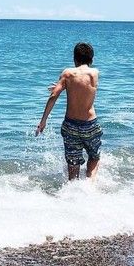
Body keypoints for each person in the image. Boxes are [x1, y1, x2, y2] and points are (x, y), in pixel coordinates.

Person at [35, 42, 102, 180]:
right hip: (90, 125)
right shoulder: (94, 73)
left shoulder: (67, 73)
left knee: (73, 163)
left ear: (74, 58)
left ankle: (72, 192)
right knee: (94, 157)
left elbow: (54, 96)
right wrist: (66, 85)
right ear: (92, 59)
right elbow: (84, 86)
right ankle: (91, 185)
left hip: (70, 125)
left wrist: (43, 121)